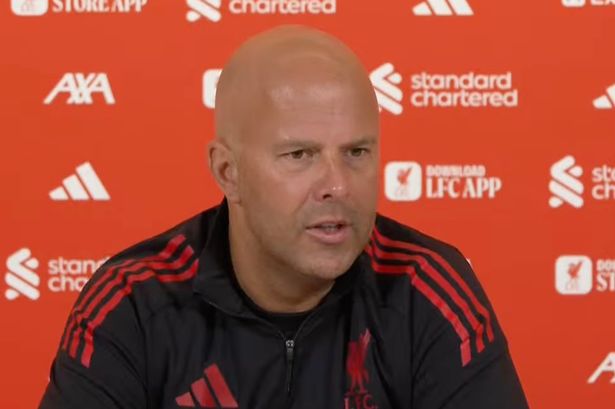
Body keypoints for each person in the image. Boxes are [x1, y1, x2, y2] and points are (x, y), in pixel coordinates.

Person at [38, 25, 529, 409]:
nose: (338, 185)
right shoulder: (133, 304)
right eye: (300, 155)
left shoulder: (429, 291)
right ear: (228, 172)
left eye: (356, 152)